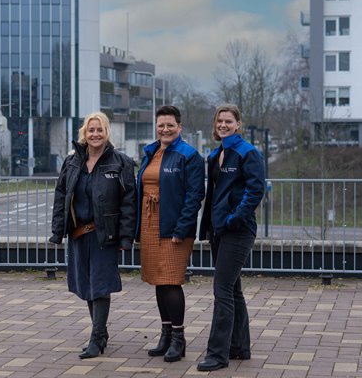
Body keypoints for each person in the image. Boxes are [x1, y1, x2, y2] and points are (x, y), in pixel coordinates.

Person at [49, 112, 137, 359]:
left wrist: (126, 237)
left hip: (104, 236)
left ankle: (96, 338)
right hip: (79, 235)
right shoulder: (72, 162)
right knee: (86, 286)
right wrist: (58, 231)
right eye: (91, 130)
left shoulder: (121, 162)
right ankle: (101, 332)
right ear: (84, 133)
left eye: (100, 130)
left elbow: (129, 203)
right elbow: (61, 197)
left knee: (100, 286)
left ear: (106, 132)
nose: (95, 134)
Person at [196, 104, 265, 372]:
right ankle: (239, 347)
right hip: (219, 230)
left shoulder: (247, 153)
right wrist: (211, 227)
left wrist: (234, 218)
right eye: (219, 121)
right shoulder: (216, 154)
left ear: (238, 124)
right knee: (233, 290)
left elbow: (255, 190)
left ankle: (217, 354)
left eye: (228, 121)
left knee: (221, 289)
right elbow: (214, 194)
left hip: (238, 230)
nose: (223, 125)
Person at [137, 105, 205, 363]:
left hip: (173, 227)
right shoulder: (151, 151)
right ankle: (165, 334)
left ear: (179, 127)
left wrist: (182, 228)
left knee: (171, 280)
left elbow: (194, 195)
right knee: (158, 280)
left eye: (170, 125)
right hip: (150, 224)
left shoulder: (189, 155)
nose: (165, 129)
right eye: (161, 125)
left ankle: (179, 338)